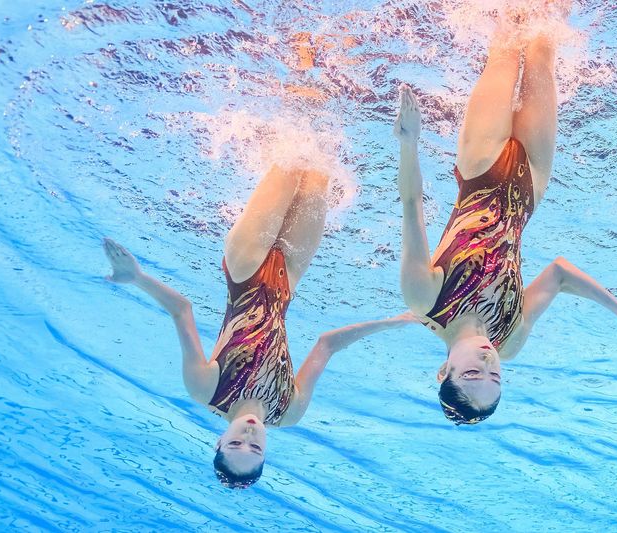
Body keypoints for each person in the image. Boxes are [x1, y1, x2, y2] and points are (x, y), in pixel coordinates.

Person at [393, 24, 617, 426]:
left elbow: (411, 205)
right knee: (542, 44)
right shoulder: (509, 340)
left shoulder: (423, 299)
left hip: (481, 169)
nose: (487, 360)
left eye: (473, 373)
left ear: (444, 372)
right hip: (531, 184)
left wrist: (409, 142)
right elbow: (560, 274)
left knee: (506, 52)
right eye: (495, 375)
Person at [103, 165, 414, 488]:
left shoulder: (206, 389)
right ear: (266, 452)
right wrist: (391, 322)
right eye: (255, 448)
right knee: (319, 168)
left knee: (290, 162)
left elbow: (182, 311)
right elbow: (327, 345)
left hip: (244, 270)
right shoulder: (289, 411)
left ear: (219, 441)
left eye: (236, 443)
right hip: (288, 278)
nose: (249, 436)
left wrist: (138, 278)